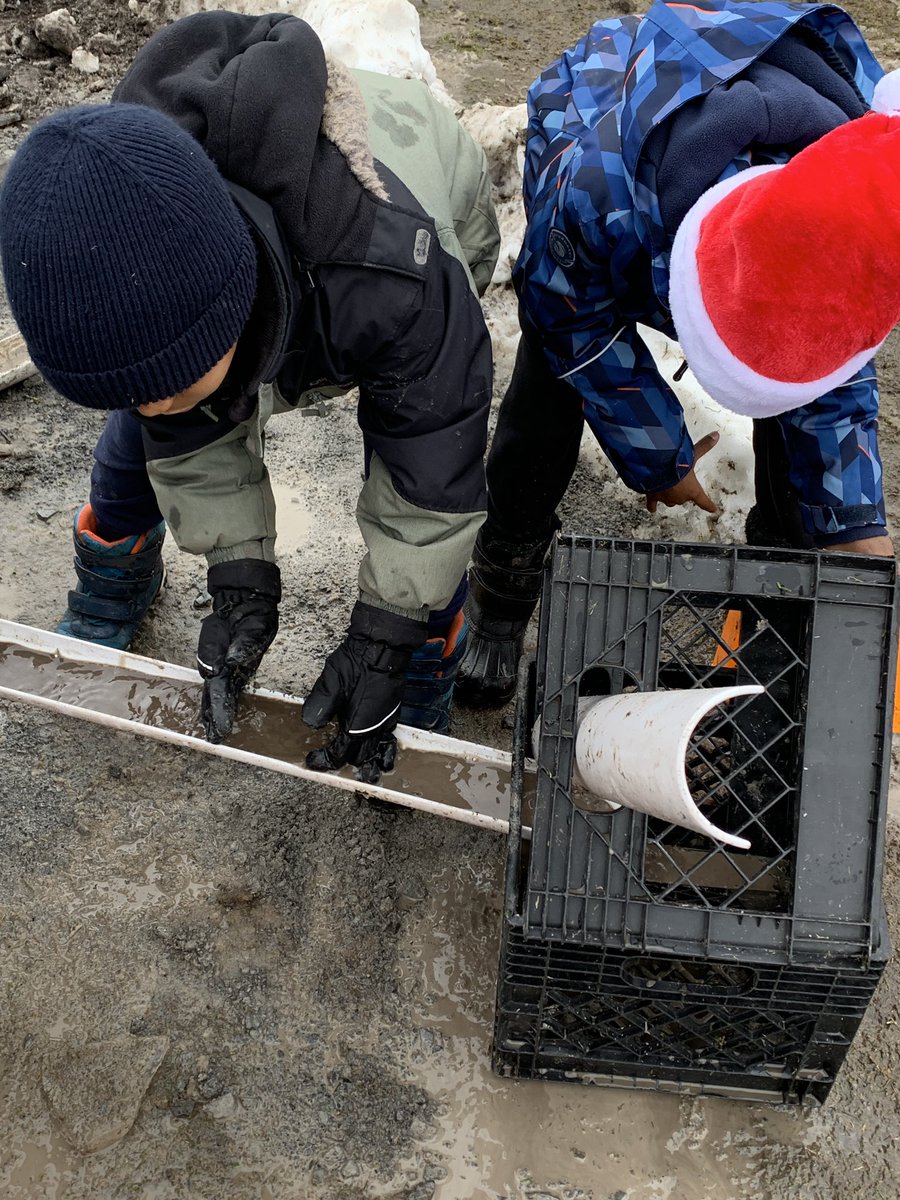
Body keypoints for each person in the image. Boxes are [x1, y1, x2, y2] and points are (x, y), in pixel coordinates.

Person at [0, 11, 500, 780]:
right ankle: (114, 575)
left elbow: (439, 450)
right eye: (130, 393)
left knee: (419, 449)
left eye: (165, 384)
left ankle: (424, 655)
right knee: (146, 440)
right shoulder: (135, 237)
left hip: (414, 179)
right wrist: (239, 582)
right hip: (254, 279)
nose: (154, 406)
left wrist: (386, 630)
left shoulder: (396, 274)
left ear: (231, 303)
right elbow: (183, 420)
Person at [456, 0, 900, 708]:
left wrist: (859, 539)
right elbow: (571, 322)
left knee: (810, 459)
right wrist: (659, 459)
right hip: (597, 144)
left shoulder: (847, 224)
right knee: (550, 383)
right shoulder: (596, 198)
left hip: (733, 218)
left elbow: (837, 394)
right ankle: (502, 586)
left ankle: (774, 638)